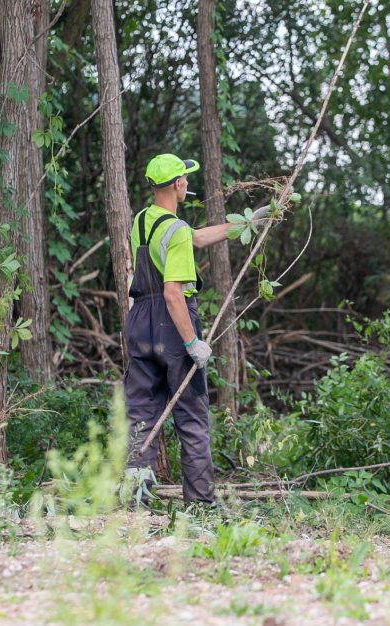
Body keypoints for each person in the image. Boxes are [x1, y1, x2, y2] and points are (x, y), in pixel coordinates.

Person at [121, 153, 266, 509]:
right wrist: (192, 342)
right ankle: (200, 505)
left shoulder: (142, 221)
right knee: (191, 417)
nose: (187, 181)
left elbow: (195, 238)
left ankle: (135, 503)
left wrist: (247, 225)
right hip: (172, 324)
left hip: (139, 320)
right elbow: (173, 292)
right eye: (184, 177)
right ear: (176, 185)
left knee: (140, 414)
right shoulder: (177, 230)